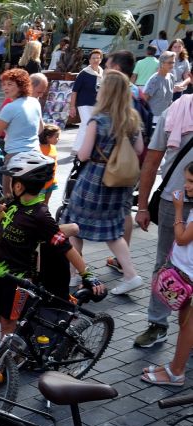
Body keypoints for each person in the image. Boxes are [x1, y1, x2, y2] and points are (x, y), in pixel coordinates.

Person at [0, 152, 103, 351]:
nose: (10, 185)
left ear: (19, 186)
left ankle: (0, 366)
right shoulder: (12, 203)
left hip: (17, 280)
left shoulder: (41, 216)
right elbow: (11, 230)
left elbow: (66, 247)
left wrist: (87, 274)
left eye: (12, 181)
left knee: (8, 323)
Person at [65, 71, 145, 295]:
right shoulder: (132, 118)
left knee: (74, 226)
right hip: (121, 182)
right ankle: (131, 275)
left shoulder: (97, 120)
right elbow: (139, 150)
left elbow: (83, 155)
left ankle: (74, 275)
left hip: (95, 180)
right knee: (112, 231)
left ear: (106, 92)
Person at [134, 93, 193, 347]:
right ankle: (158, 323)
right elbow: (152, 160)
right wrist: (143, 206)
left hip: (176, 202)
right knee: (166, 264)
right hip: (174, 201)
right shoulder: (177, 110)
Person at [141, 163, 193, 385]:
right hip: (186, 273)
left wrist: (179, 209)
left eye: (191, 181)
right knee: (184, 324)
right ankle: (174, 366)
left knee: (187, 326)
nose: (186, 185)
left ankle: (177, 372)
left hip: (190, 275)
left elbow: (181, 238)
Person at [0, 69, 43, 190]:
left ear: (22, 86)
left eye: (10, 84)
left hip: (16, 157)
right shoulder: (34, 102)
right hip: (35, 154)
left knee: (8, 196)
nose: (5, 88)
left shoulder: (10, 107)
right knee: (29, 194)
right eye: (4, 84)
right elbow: (40, 129)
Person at [69, 49, 103, 152]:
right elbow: (74, 91)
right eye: (93, 58)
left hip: (97, 104)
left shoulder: (102, 73)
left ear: (101, 60)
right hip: (83, 103)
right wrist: (72, 106)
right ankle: (77, 149)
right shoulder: (83, 73)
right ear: (89, 60)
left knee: (92, 126)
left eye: (98, 58)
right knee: (86, 124)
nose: (96, 60)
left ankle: (87, 148)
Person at [142, 51, 187, 126]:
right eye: (170, 63)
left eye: (173, 62)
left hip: (166, 118)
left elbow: (168, 98)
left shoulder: (171, 77)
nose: (172, 65)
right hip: (154, 119)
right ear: (162, 63)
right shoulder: (154, 80)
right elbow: (144, 100)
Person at [39, 124, 60, 204]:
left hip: (51, 181)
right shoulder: (38, 148)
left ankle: (44, 215)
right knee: (39, 204)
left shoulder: (53, 147)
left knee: (45, 203)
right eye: (56, 136)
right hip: (41, 183)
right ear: (48, 137)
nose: (58, 139)